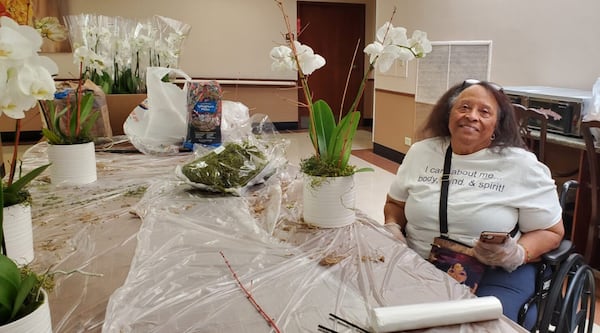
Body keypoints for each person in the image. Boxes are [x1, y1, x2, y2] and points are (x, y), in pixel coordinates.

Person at [383, 79, 564, 329]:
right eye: (464, 107)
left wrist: (517, 253)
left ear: (497, 124)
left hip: (494, 270)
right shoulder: (421, 152)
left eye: (484, 111)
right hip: (419, 261)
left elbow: (552, 231)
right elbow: (395, 203)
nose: (472, 116)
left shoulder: (521, 165)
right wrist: (392, 226)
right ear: (449, 114)